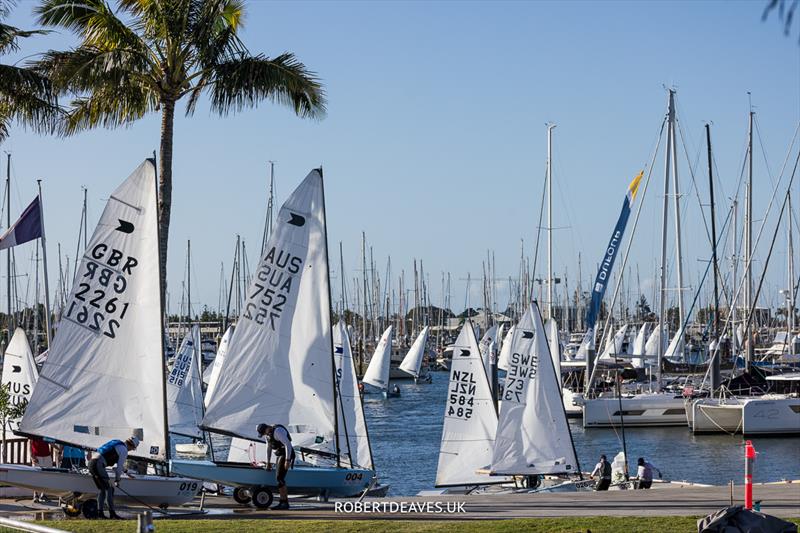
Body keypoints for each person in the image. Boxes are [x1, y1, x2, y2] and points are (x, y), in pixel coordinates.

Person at [88, 436, 139, 519]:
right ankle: (112, 514)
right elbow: (118, 468)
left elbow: (119, 464)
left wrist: (126, 472)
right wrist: (117, 480)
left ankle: (100, 514)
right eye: (133, 449)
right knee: (110, 489)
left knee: (103, 489)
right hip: (98, 464)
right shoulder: (124, 450)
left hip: (91, 463)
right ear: (132, 446)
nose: (131, 450)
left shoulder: (117, 443)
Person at [257, 423, 295, 510]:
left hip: (286, 454)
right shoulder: (268, 435)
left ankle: (284, 503)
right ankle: (283, 502)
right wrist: (268, 462)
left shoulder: (278, 431)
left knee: (280, 478)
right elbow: (269, 447)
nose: (264, 435)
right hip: (280, 454)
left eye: (264, 433)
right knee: (279, 478)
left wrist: (287, 460)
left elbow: (288, 445)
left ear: (267, 429)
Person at [30, 437, 53, 502]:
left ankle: (43, 495)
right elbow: (30, 443)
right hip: (37, 456)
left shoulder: (47, 431)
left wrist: (59, 449)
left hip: (47, 455)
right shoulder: (32, 431)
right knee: (36, 476)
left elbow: (51, 442)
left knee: (47, 476)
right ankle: (36, 495)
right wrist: (32, 456)